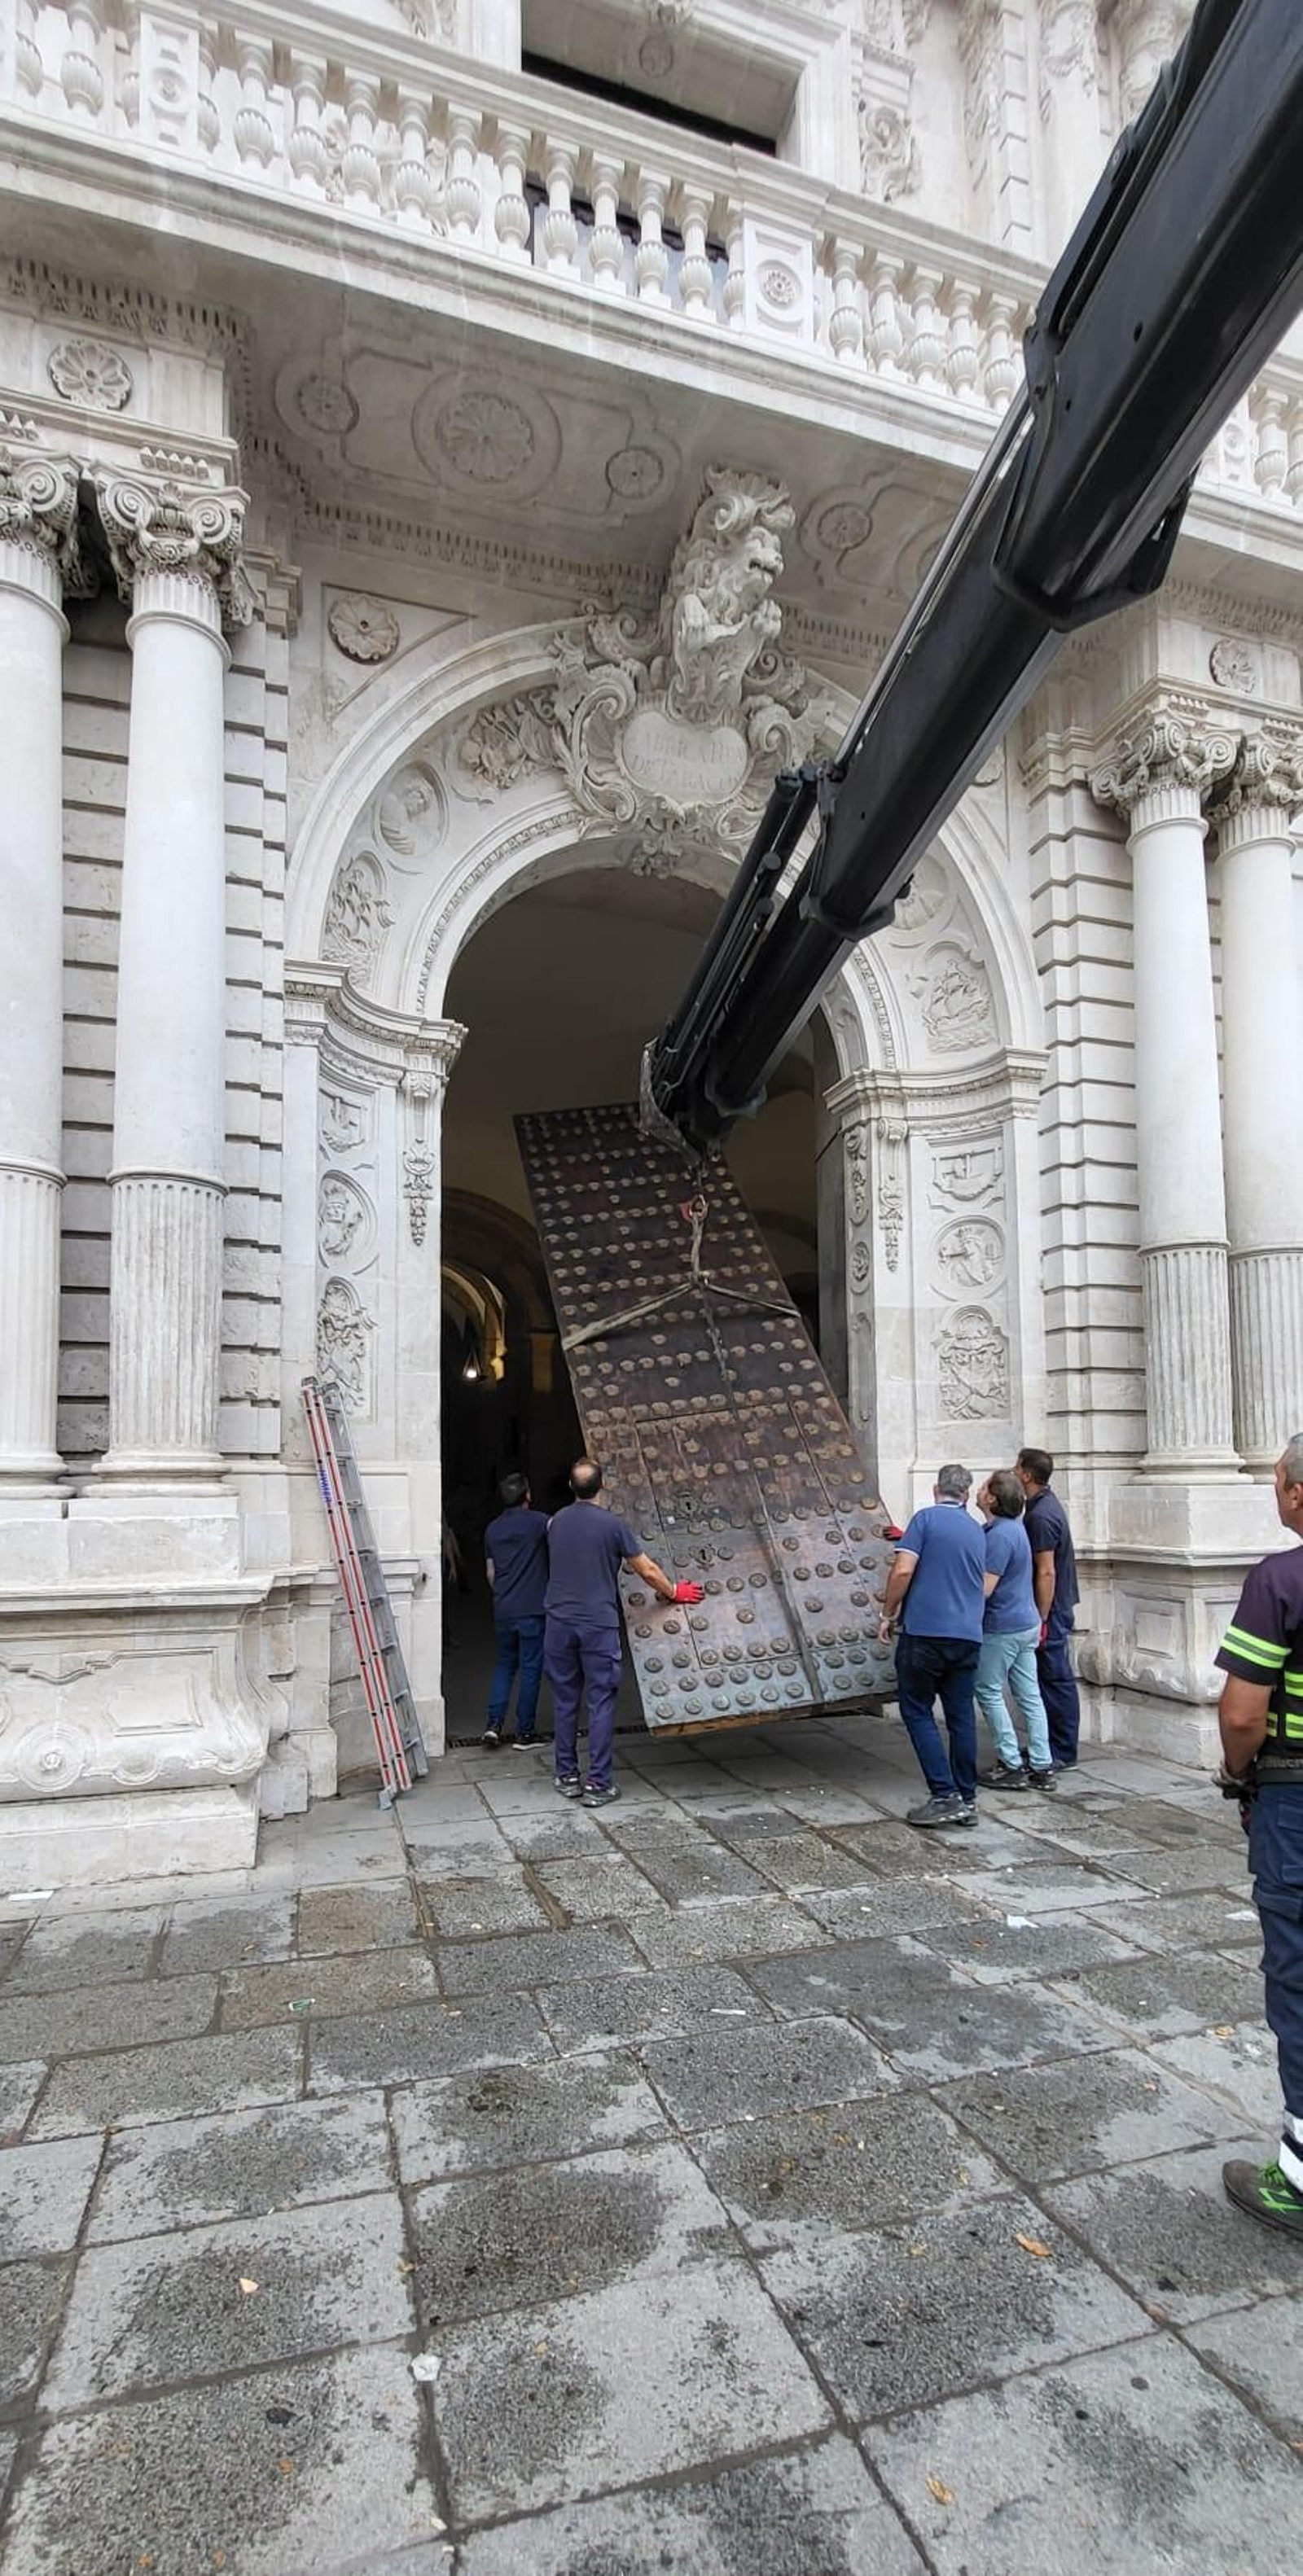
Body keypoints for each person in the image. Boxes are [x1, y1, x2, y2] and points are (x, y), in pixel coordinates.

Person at [1213, 1430, 1303, 2237]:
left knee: (1299, 1976)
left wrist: (1238, 1770)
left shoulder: (1280, 1579)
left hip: (1296, 1797)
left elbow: (1242, 1712)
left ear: (1295, 1493)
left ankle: (1300, 2177)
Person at [545, 1457, 703, 1808]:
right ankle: (598, 1783)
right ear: (603, 1485)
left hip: (557, 1621)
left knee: (565, 1697)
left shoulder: (554, 1522)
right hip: (596, 1622)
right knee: (600, 1700)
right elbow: (645, 1569)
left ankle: (567, 1775)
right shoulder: (612, 1525)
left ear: (571, 1487)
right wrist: (674, 1591)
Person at [879, 1462, 985, 1829]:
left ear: (935, 1489)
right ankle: (967, 1798)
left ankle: (944, 1794)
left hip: (925, 1633)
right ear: (967, 1495)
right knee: (961, 1717)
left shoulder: (925, 1520)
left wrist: (888, 1612)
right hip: (968, 1636)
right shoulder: (976, 1530)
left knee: (917, 1710)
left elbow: (904, 1570)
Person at [974, 1470, 1056, 1792]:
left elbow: (984, 1588)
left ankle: (1010, 1763)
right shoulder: (1013, 1529)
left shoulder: (999, 1536)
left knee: (988, 1690)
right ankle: (1042, 1764)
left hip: (1002, 1626)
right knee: (1029, 1696)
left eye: (983, 1488)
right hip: (1027, 1621)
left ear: (992, 1498)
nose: (978, 1492)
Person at [1016, 1446, 1081, 1769]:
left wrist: (1041, 1617)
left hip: (1051, 1609)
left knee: (1055, 1679)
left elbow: (1046, 1570)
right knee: (1048, 1679)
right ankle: (1051, 1746)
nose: (1014, 1472)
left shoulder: (1041, 1515)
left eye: (1017, 1468)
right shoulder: (1043, 1507)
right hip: (1054, 1606)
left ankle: (1062, 1751)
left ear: (1027, 1474)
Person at [481, 1472, 549, 1749]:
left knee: (505, 1665)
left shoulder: (492, 1529)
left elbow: (490, 1573)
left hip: (504, 1608)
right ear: (527, 1496)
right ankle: (525, 1732)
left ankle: (494, 1725)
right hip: (533, 1607)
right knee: (531, 1668)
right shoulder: (539, 1522)